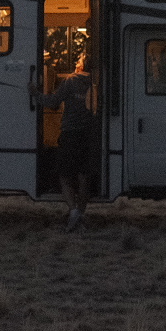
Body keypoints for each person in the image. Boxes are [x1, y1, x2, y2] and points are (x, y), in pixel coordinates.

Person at [41, 56, 101, 231]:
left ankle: (73, 212)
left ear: (82, 65)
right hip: (89, 134)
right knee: (84, 177)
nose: (75, 63)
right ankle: (80, 213)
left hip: (70, 135)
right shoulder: (97, 83)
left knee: (65, 175)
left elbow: (53, 102)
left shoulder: (70, 81)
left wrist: (36, 94)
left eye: (78, 61)